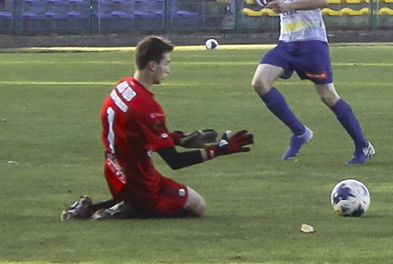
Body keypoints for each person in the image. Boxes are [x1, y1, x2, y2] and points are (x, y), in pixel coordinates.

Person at [61, 36, 255, 221]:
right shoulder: (148, 107)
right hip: (141, 183)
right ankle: (127, 211)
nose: (167, 70)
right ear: (152, 65)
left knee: (146, 195)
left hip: (115, 173)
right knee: (198, 205)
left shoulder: (122, 86)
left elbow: (136, 134)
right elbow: (175, 161)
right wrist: (219, 150)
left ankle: (89, 209)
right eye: (166, 63)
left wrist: (178, 139)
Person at [251, 0, 374, 164]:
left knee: (327, 95)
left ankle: (363, 146)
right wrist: (274, 4)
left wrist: (288, 6)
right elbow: (287, 1)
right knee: (260, 82)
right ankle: (300, 132)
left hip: (311, 41)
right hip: (287, 41)